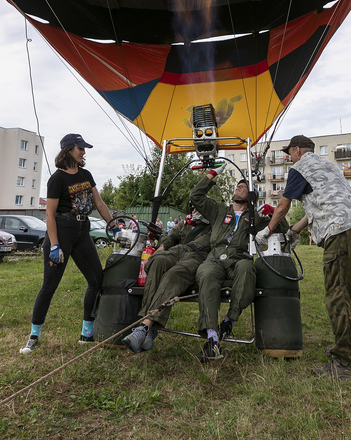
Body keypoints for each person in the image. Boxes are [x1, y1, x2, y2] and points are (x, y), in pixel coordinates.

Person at [256, 135, 351, 381]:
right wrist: (293, 230)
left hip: (339, 231)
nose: (289, 158)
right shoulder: (329, 166)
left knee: (338, 294)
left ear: (297, 151)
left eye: (289, 154)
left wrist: (268, 231)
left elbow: (283, 207)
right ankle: (347, 351)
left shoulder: (300, 168)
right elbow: (321, 205)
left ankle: (341, 364)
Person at [19, 133, 119, 355]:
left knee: (96, 280)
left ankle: (87, 332)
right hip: (61, 233)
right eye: (80, 148)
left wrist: (113, 224)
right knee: (49, 286)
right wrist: (54, 245)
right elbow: (50, 215)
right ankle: (33, 336)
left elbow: (99, 203)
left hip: (83, 233)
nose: (83, 152)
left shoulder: (86, 174)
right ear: (68, 150)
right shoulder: (57, 179)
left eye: (84, 149)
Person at [190, 166, 285, 363]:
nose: (239, 186)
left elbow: (282, 230)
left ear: (252, 196)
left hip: (238, 259)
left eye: (244, 186)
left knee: (247, 268)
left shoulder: (255, 218)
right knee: (206, 274)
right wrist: (212, 174)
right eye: (238, 185)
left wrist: (274, 213)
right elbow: (196, 196)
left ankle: (229, 322)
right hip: (215, 258)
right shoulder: (218, 210)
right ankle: (212, 339)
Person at [122, 207, 212, 353]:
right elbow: (170, 236)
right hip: (177, 251)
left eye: (200, 206)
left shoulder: (213, 225)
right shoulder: (185, 223)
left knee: (173, 274)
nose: (196, 210)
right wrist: (163, 246)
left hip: (197, 256)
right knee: (157, 261)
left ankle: (144, 326)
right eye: (194, 207)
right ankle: (148, 330)